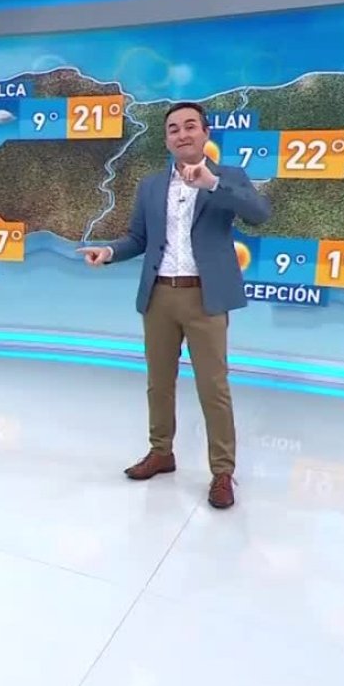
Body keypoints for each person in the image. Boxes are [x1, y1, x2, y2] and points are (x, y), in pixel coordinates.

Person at [76, 100, 271, 509]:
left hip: (206, 297)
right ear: (167, 140)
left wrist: (212, 184)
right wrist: (109, 253)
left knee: (213, 387)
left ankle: (222, 472)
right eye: (173, 129)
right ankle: (161, 452)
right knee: (159, 382)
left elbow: (259, 214)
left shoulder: (228, 177)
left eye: (190, 126)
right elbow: (138, 238)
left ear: (205, 133)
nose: (182, 134)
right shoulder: (150, 186)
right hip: (159, 296)